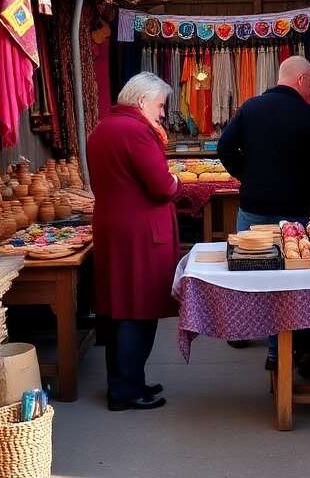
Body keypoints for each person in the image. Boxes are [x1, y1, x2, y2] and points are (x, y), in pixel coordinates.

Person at [217, 55, 310, 372]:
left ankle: (242, 330)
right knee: (287, 283)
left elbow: (224, 148)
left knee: (248, 274)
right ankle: (276, 351)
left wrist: (248, 176)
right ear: (300, 79)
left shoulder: (251, 107)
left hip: (253, 208)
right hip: (292, 212)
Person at [86, 72, 180, 411]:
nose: (162, 113)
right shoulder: (137, 132)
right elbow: (162, 186)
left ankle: (128, 380)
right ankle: (126, 390)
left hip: (115, 227)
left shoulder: (103, 129)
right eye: (159, 105)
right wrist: (176, 179)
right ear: (142, 102)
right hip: (140, 232)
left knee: (118, 307)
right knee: (138, 309)